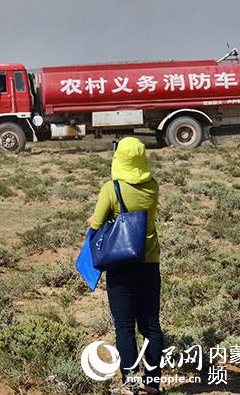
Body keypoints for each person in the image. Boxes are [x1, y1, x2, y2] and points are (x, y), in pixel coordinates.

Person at [86, 137, 162, 395]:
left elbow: (96, 224)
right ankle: (153, 383)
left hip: (121, 266)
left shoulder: (111, 188)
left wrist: (97, 219)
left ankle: (131, 383)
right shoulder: (153, 187)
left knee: (124, 327)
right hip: (149, 263)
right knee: (151, 325)